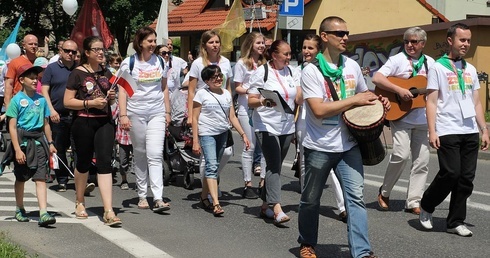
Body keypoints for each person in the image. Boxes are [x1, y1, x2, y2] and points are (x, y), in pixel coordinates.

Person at [297, 16, 389, 258]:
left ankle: (362, 252)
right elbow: (318, 110)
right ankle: (307, 242)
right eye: (339, 33)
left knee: (356, 199)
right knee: (310, 199)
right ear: (325, 37)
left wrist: (378, 100)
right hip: (319, 146)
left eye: (347, 32)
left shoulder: (351, 66)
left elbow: (364, 94)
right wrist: (355, 100)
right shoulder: (310, 71)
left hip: (349, 145)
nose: (345, 37)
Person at [419, 23, 489, 237]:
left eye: (468, 40)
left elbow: (476, 102)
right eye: (462, 40)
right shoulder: (438, 67)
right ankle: (427, 204)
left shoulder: (469, 69)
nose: (466, 44)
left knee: (466, 178)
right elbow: (431, 101)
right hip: (447, 128)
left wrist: (484, 130)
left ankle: (455, 222)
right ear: (450, 40)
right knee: (451, 172)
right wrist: (432, 130)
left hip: (469, 129)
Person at [373, 27, 435, 215]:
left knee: (422, 161)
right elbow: (376, 77)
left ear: (423, 44)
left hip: (423, 117)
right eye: (407, 41)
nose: (409, 45)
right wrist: (399, 90)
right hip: (400, 115)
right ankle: (384, 192)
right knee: (400, 154)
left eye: (414, 41)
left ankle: (414, 201)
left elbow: (435, 88)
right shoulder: (397, 60)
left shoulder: (430, 63)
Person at [64, 36, 121, 226]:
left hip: (104, 122)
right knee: (83, 162)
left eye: (102, 49)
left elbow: (110, 99)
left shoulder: (107, 72)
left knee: (105, 163)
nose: (100, 52)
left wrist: (111, 97)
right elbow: (67, 102)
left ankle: (108, 210)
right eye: (95, 49)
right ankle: (80, 200)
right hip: (83, 122)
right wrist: (90, 103)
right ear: (87, 53)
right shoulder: (77, 73)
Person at [247, 39, 302, 225]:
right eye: (285, 54)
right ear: (274, 55)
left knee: (275, 167)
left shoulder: (293, 71)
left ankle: (264, 205)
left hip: (287, 125)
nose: (289, 57)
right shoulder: (262, 73)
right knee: (273, 163)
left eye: (290, 54)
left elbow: (299, 97)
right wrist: (263, 101)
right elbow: (251, 100)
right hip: (265, 125)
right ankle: (277, 207)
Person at [294, 34, 347, 222]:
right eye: (304, 47)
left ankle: (342, 206)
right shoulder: (298, 70)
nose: (306, 51)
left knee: (330, 166)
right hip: (304, 120)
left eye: (311, 48)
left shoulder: (322, 69)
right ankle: (306, 199)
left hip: (324, 121)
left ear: (319, 51)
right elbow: (298, 99)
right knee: (303, 162)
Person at [118, 26, 171, 213]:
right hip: (135, 112)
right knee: (140, 152)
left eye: (155, 41)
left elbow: (164, 88)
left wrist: (167, 112)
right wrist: (123, 115)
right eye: (150, 41)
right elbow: (122, 90)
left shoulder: (161, 62)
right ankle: (142, 195)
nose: (153, 44)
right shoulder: (129, 63)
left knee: (155, 153)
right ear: (140, 42)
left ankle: (158, 197)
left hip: (156, 112)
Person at [2, 64, 57, 226]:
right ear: (21, 80)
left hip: (39, 143)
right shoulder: (16, 100)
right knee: (21, 177)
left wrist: (51, 142)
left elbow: (46, 123)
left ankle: (43, 212)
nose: (35, 80)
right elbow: (12, 127)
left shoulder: (41, 99)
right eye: (31, 78)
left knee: (41, 178)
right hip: (23, 143)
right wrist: (17, 149)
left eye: (36, 78)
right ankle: (19, 208)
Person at [192, 65, 250, 216]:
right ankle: (215, 203)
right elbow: (195, 118)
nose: (218, 79)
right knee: (211, 165)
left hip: (222, 133)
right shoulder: (201, 94)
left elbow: (232, 117)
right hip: (207, 133)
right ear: (206, 81)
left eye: (220, 76)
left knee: (214, 167)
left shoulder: (226, 94)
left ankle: (204, 196)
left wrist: (243, 134)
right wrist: (195, 140)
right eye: (213, 77)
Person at [187, 30, 234, 195]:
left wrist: (230, 109)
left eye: (217, 42)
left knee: (227, 151)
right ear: (204, 45)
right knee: (206, 157)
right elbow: (192, 91)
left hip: (221, 109)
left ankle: (211, 180)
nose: (215, 45)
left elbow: (228, 87)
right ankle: (208, 192)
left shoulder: (226, 62)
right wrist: (189, 114)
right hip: (204, 109)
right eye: (211, 42)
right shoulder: (198, 64)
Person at [233, 32, 267, 199]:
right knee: (250, 146)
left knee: (266, 147)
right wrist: (251, 91)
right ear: (250, 45)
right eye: (258, 43)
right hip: (246, 108)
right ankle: (248, 184)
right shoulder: (241, 63)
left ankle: (263, 182)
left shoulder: (265, 63)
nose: (262, 46)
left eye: (263, 43)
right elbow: (237, 87)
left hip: (261, 109)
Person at [42, 40, 78, 192]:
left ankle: (79, 178)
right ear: (61, 51)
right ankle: (62, 179)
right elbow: (44, 91)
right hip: (58, 115)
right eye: (67, 51)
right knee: (59, 149)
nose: (70, 54)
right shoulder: (52, 68)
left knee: (79, 148)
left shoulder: (80, 69)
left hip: (77, 115)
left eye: (74, 52)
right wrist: (51, 110)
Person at [5, 34, 39, 108]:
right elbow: (9, 85)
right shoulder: (15, 62)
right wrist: (8, 106)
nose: (33, 46)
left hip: (37, 102)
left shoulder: (41, 62)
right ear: (24, 45)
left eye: (35, 44)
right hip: (19, 102)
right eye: (30, 44)